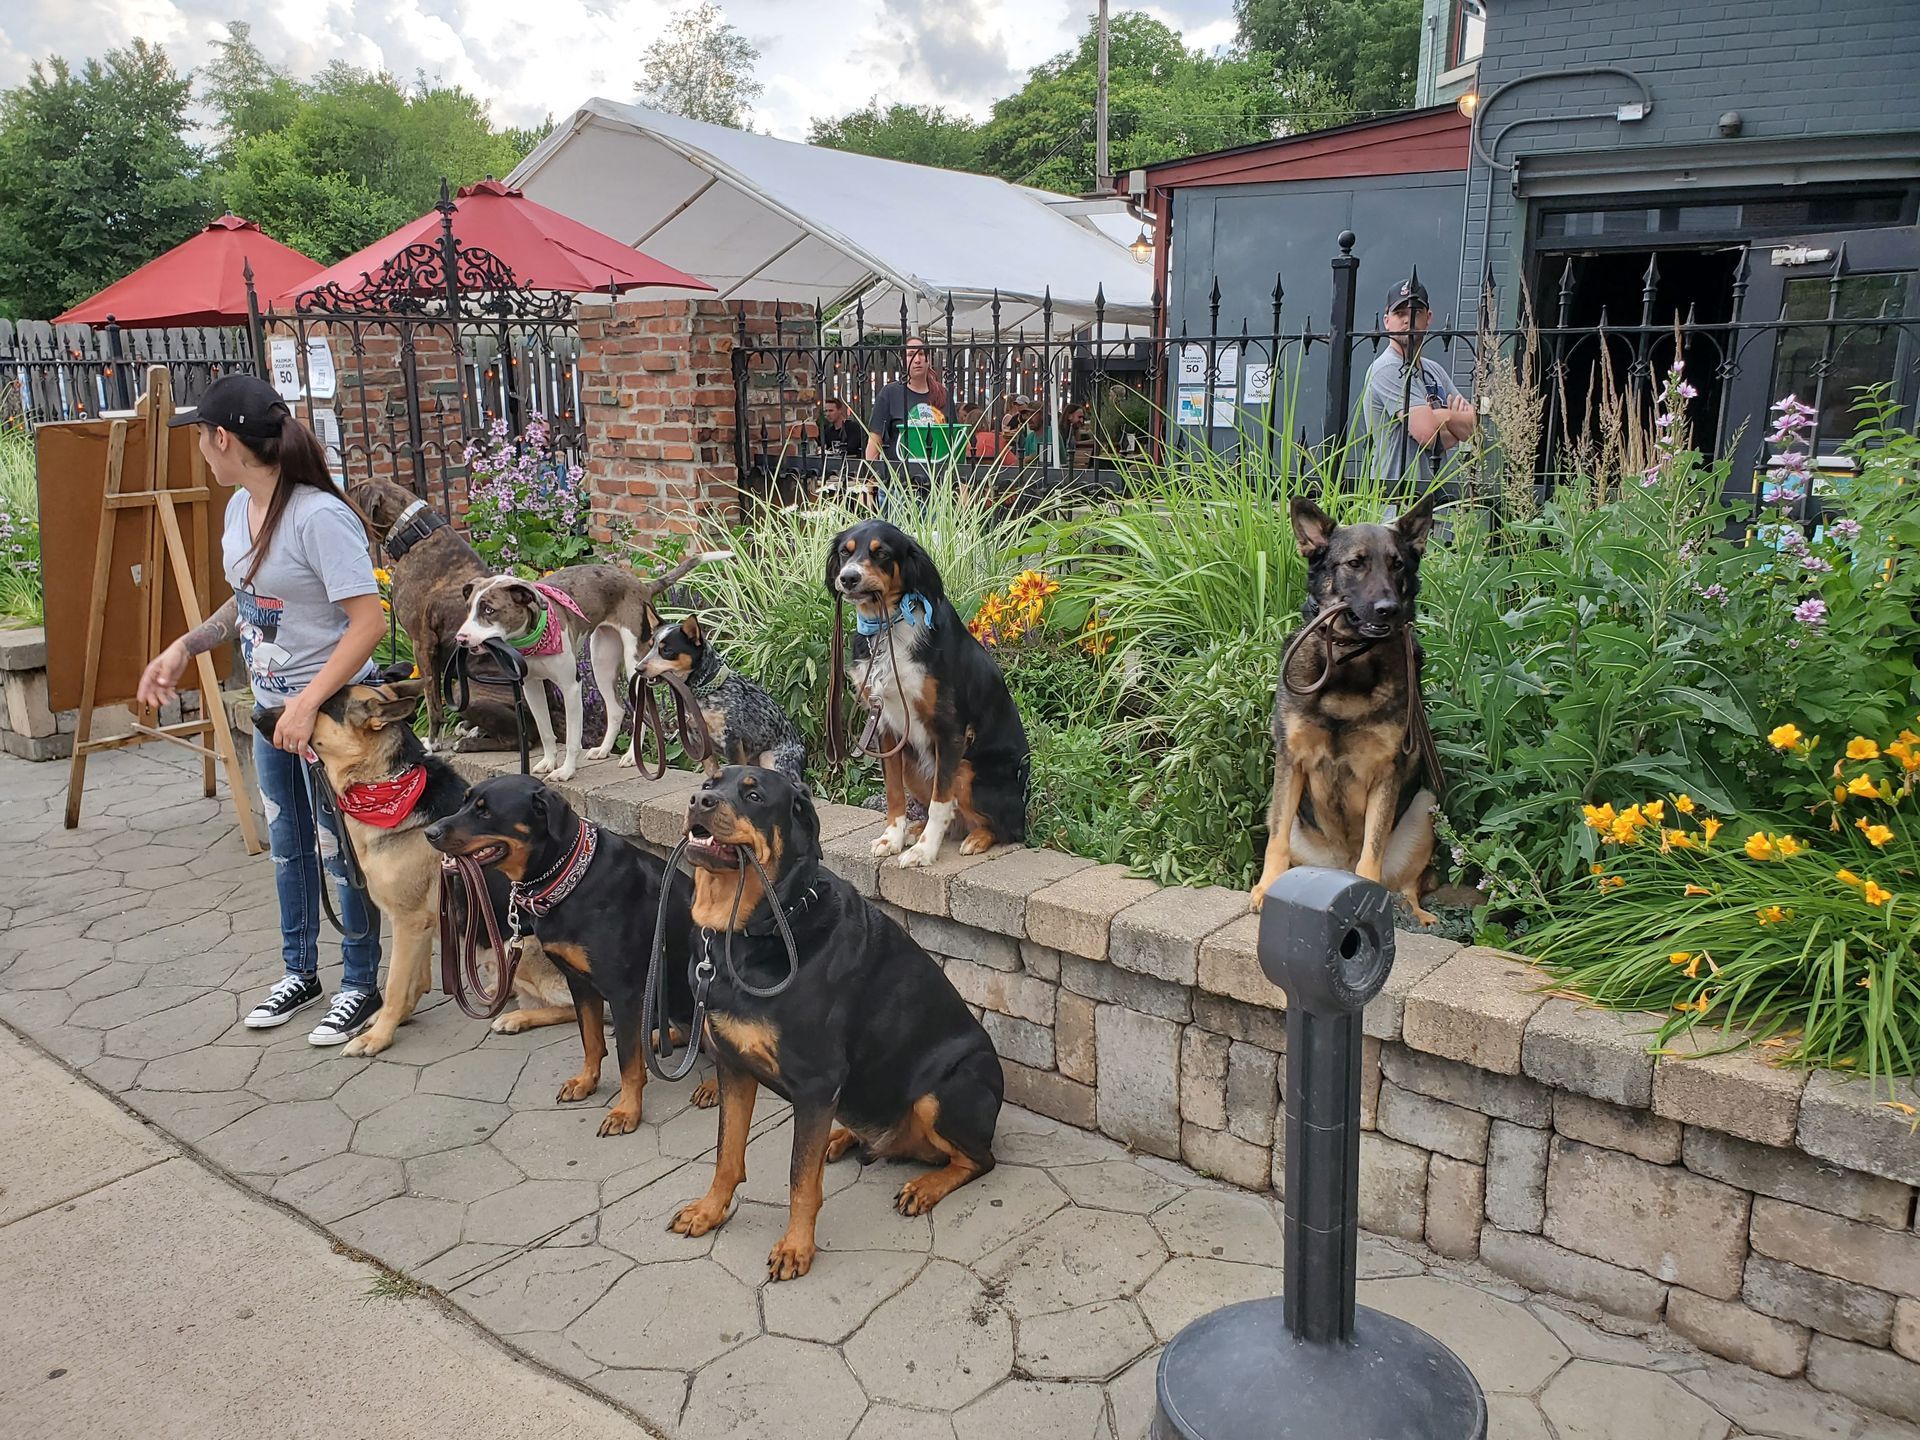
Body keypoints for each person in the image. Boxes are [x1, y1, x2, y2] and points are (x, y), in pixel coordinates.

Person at [137, 374, 386, 1046]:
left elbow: (368, 623)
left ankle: (362, 983)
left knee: (342, 852)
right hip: (275, 714)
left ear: (224, 439)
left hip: (331, 718)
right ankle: (299, 972)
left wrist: (307, 704)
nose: (201, 453)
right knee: (288, 850)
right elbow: (246, 605)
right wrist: (186, 647)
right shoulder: (238, 510)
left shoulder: (317, 516)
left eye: (201, 438)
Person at [1361, 279, 1477, 486]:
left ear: (1428, 318)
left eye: (1416, 312)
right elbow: (1429, 435)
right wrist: (1452, 421)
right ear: (1387, 321)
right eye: (1400, 313)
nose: (1408, 319)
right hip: (1396, 502)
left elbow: (1473, 429)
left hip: (1435, 502)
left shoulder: (1434, 370)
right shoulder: (1387, 368)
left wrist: (1443, 415)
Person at [865, 335, 950, 466]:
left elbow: (953, 439)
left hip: (938, 478)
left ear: (928, 359)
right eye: (911, 354)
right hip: (899, 479)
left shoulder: (943, 394)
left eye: (921, 354)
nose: (917, 360)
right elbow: (875, 440)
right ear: (902, 360)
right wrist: (870, 482)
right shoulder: (889, 393)